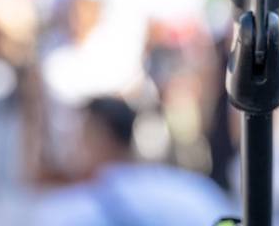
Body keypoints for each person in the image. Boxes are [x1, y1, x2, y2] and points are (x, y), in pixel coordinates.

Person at [28, 96, 233, 225]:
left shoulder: (76, 209)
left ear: (101, 139)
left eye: (80, 136)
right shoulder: (191, 186)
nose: (72, 148)